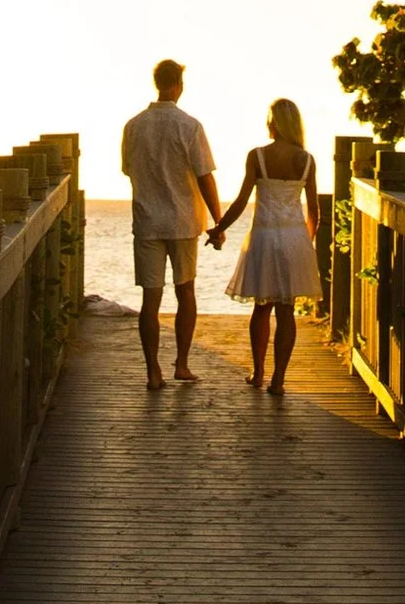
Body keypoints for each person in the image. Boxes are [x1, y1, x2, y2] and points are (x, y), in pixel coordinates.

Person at [120, 59, 222, 391]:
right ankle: (181, 364)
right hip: (183, 219)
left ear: (156, 83)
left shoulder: (134, 126)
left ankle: (153, 371)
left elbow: (127, 169)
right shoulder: (189, 126)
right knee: (186, 291)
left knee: (151, 299)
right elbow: (205, 176)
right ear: (179, 85)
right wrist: (218, 221)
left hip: (148, 220)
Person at [210, 97, 323, 394]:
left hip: (264, 237)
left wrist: (219, 228)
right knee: (286, 311)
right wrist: (305, 243)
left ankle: (258, 373)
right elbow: (314, 212)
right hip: (294, 238)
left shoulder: (257, 156)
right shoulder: (306, 160)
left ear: (273, 123)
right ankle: (279, 380)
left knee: (262, 308)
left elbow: (241, 201)